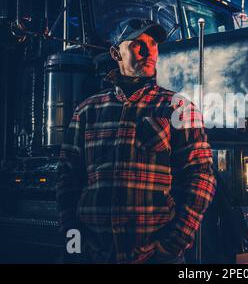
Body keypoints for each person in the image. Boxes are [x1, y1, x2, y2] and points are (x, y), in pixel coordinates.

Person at [56, 18, 216, 264]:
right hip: (93, 254)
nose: (148, 51)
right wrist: (74, 239)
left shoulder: (177, 107)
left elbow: (201, 175)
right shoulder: (87, 110)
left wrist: (174, 243)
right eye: (137, 44)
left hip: (155, 257)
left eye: (152, 44)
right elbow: (68, 175)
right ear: (115, 53)